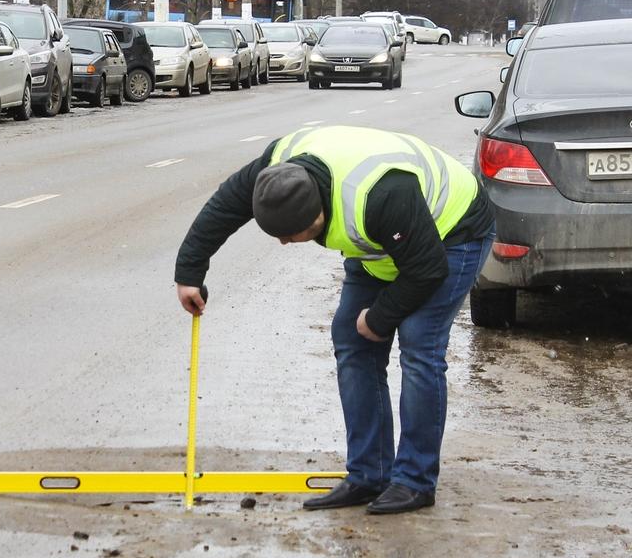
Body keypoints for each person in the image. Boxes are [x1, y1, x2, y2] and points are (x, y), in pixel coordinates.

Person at [175, 126, 495, 514]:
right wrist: (190, 271)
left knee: (419, 344)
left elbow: (426, 270)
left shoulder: (379, 195)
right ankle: (369, 474)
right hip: (385, 246)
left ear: (320, 211)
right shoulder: (277, 171)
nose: (285, 243)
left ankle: (414, 481)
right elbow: (226, 205)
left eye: (296, 235)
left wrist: (379, 318)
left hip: (452, 234)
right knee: (351, 338)